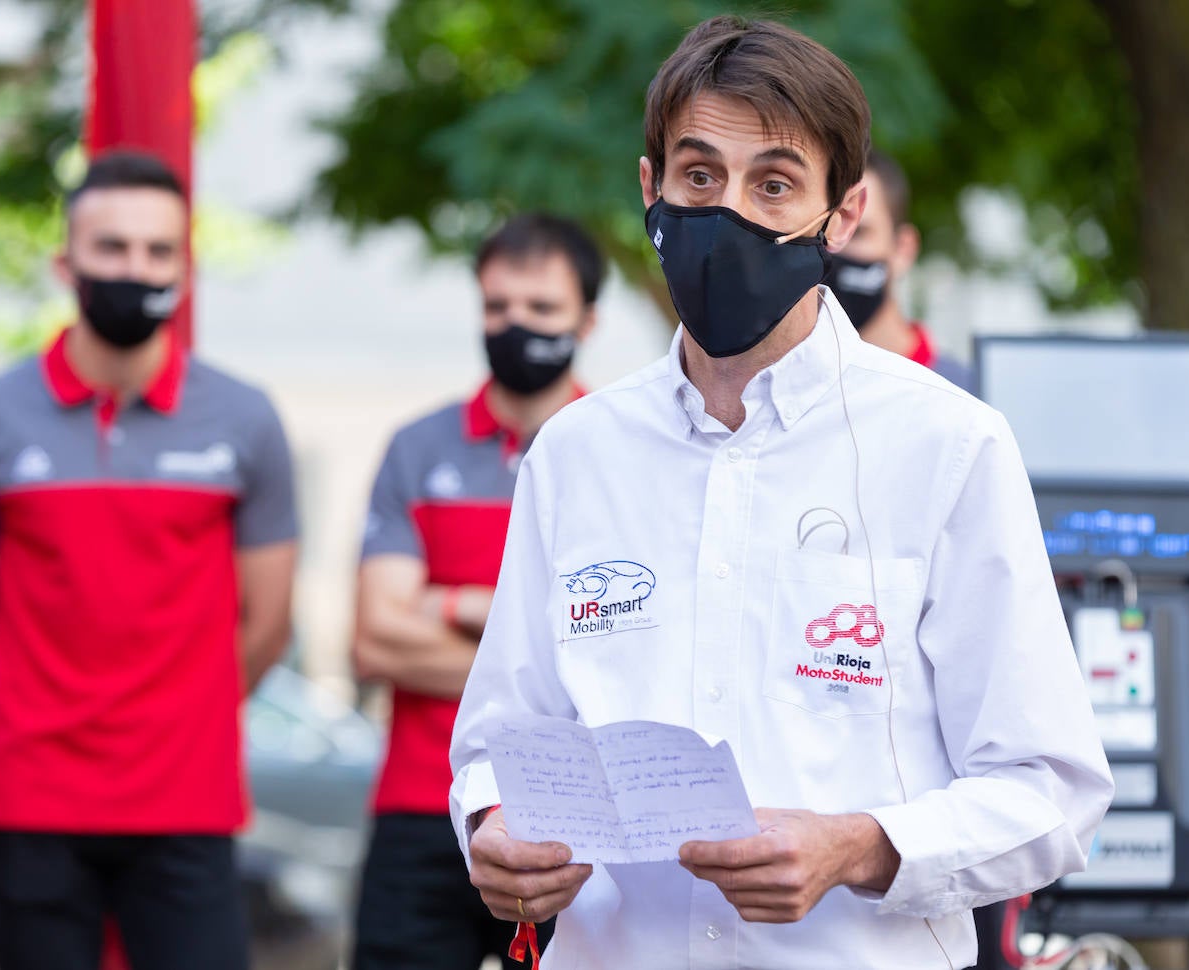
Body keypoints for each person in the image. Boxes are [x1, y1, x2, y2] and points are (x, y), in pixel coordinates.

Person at [449, 16, 1112, 969]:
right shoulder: (575, 453)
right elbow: (498, 745)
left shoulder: (949, 446)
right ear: (652, 190)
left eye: (774, 184)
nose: (730, 213)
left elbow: (1051, 791)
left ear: (839, 218)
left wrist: (862, 847)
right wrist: (494, 828)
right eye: (699, 176)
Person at [0, 150, 299, 970]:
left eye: (158, 251)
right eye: (113, 249)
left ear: (187, 267)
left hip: (187, 799)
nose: (137, 269)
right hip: (30, 797)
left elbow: (268, 625)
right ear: (66, 262)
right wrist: (49, 710)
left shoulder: (245, 419)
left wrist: (176, 719)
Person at [351, 213, 604, 970]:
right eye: (498, 308)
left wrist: (456, 604)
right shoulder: (417, 449)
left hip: (570, 816)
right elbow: (374, 638)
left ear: (587, 320)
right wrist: (556, 661)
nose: (515, 326)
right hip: (419, 808)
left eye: (541, 309)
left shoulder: (616, 452)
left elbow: (627, 649)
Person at [824, 149, 975, 392]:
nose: (833, 248)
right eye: (820, 234)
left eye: (857, 233)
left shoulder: (973, 399)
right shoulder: (774, 395)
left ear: (903, 248)